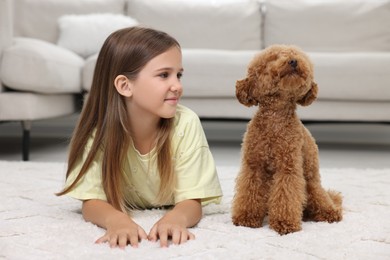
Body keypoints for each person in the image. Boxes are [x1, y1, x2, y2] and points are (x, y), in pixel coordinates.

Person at [56, 26, 222, 248]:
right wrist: (116, 220)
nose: (178, 86)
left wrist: (176, 218)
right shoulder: (98, 133)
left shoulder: (186, 123)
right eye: (164, 75)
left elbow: (192, 200)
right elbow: (91, 201)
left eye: (178, 75)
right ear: (125, 85)